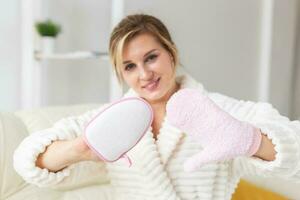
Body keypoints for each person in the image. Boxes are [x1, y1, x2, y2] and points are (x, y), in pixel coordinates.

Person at [13, 14, 300, 200]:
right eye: (129, 66)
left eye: (151, 57)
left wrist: (250, 140)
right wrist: (81, 149)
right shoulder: (109, 124)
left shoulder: (217, 112)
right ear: (121, 74)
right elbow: (29, 161)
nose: (144, 74)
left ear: (171, 52)